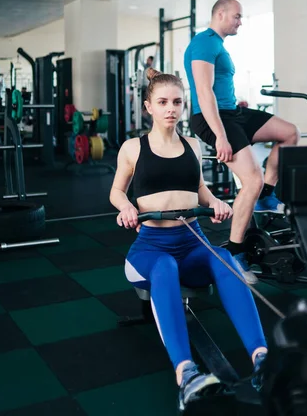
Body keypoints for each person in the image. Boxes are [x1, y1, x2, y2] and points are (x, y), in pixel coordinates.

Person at [110, 68, 267, 414]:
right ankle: (187, 376)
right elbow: (117, 191)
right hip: (150, 247)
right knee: (165, 266)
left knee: (226, 258)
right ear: (148, 106)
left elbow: (201, 190)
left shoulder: (193, 145)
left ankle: (262, 359)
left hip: (192, 241)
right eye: (163, 102)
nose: (171, 108)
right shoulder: (133, 147)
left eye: (177, 102)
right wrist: (125, 209)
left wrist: (216, 203)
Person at [184, 0, 300, 284]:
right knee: (252, 179)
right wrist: (221, 137)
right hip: (214, 118)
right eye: (236, 16)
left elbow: (220, 90)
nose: (240, 21)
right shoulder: (204, 42)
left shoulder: (218, 45)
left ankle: (265, 197)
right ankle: (234, 254)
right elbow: (204, 91)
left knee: (289, 132)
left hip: (232, 112)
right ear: (220, 14)